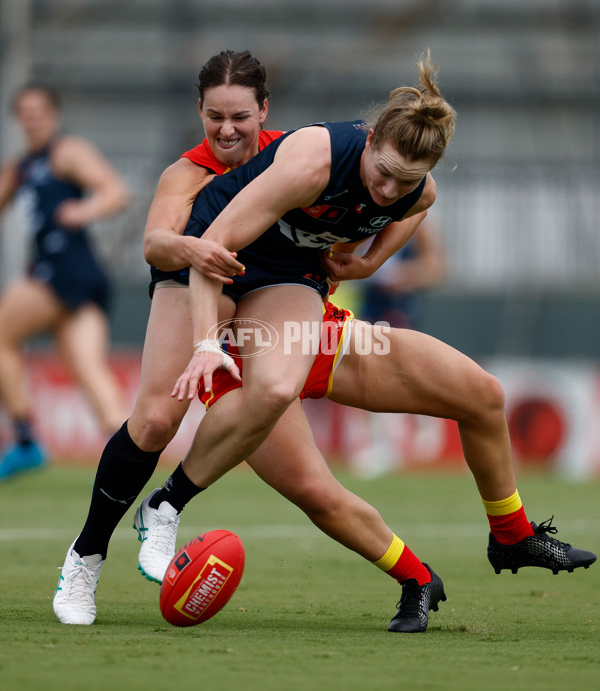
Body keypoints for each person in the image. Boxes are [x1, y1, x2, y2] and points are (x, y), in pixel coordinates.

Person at [54, 52, 596, 634]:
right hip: (212, 265)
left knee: (298, 389)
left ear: (265, 110)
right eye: (216, 117)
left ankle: (169, 502)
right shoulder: (246, 167)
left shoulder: (405, 185)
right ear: (200, 113)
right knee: (159, 419)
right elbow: (180, 249)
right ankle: (86, 558)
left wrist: (368, 263)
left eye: (241, 116)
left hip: (286, 284)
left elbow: (414, 204)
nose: (228, 129)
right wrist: (208, 341)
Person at [0, 84, 129, 480]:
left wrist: (84, 209)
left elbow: (115, 191)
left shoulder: (65, 151)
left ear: (53, 115)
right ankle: (128, 456)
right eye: (25, 111)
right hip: (78, 275)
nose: (33, 118)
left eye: (39, 110)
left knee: (1, 336)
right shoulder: (21, 166)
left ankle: (25, 441)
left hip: (62, 269)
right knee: (87, 366)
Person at [351, 220, 446, 476]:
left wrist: (404, 276)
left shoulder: (416, 222)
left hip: (399, 310)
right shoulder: (360, 217)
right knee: (366, 374)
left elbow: (434, 268)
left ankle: (421, 426)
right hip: (368, 309)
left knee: (398, 374)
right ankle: (379, 445)